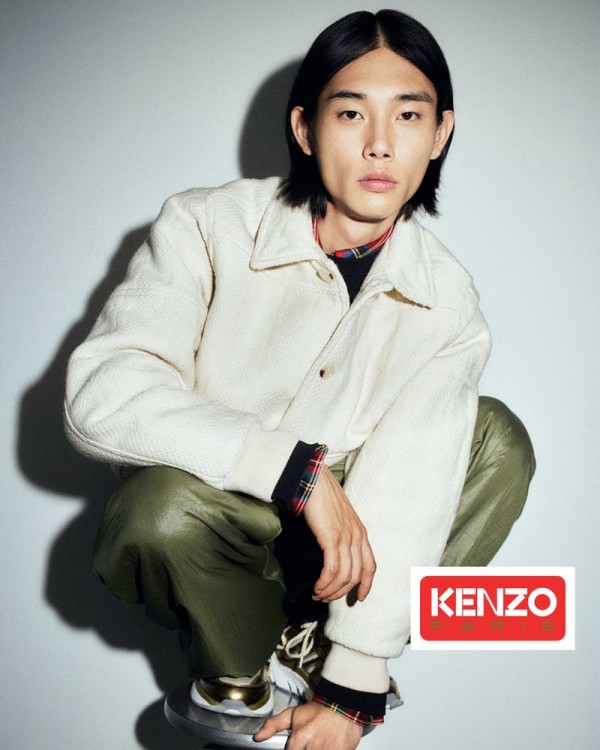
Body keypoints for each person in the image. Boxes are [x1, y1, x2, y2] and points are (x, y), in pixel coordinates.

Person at [64, 9, 535, 750]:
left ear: (440, 133)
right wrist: (295, 471)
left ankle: (323, 650)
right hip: (216, 523)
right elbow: (103, 396)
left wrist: (355, 683)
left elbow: (413, 478)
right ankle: (240, 666)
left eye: (408, 115)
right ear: (305, 128)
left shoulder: (449, 302)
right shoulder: (206, 225)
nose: (380, 143)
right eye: (350, 113)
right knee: (157, 509)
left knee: (496, 436)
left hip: (355, 549)